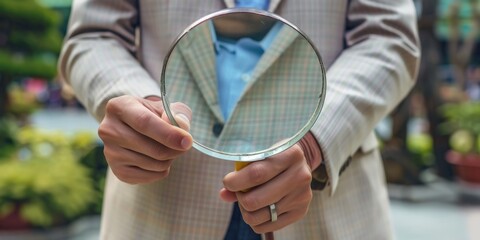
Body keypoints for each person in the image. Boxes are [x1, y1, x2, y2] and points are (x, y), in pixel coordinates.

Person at [58, 0, 420, 239]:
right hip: (161, 204)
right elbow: (94, 35)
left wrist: (312, 143)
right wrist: (144, 110)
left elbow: (388, 37)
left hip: (325, 207)